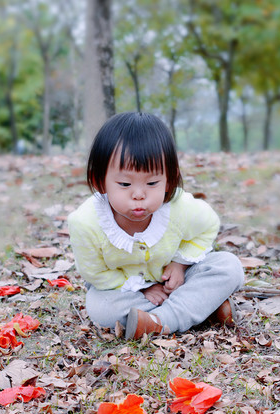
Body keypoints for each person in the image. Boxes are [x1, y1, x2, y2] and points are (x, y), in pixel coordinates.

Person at [68, 112, 244, 340]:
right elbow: (96, 274)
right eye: (124, 184)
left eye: (152, 183)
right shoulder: (86, 223)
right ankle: (200, 309)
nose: (139, 194)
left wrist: (180, 265)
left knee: (229, 266)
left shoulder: (180, 208)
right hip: (126, 290)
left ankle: (159, 321)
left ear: (169, 180)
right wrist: (143, 289)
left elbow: (209, 226)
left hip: (176, 281)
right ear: (99, 180)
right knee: (99, 307)